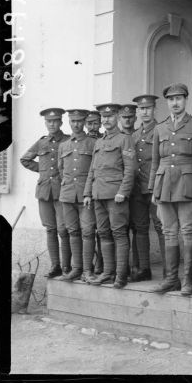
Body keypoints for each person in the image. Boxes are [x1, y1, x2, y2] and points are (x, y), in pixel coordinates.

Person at [148, 83, 192, 295]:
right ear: (167, 103)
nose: (175, 103)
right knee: (169, 232)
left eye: (179, 98)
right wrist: (153, 188)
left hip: (189, 185)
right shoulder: (159, 128)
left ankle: (187, 281)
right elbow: (155, 161)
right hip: (165, 186)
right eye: (171, 99)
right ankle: (172, 279)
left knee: (188, 231)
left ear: (186, 100)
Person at [83, 104, 136, 288]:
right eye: (103, 117)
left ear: (118, 117)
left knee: (119, 234)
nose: (106, 120)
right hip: (98, 195)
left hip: (116, 196)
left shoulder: (124, 139)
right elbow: (92, 169)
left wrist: (123, 191)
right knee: (103, 233)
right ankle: (107, 272)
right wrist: (88, 193)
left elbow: (130, 169)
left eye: (110, 116)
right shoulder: (99, 141)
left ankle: (120, 275)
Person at [20, 108, 71, 278]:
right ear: (45, 123)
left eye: (55, 121)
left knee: (64, 230)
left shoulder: (68, 140)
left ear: (61, 123)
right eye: (49, 121)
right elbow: (25, 159)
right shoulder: (41, 143)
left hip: (62, 191)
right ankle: (55, 265)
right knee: (50, 230)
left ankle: (67, 266)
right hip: (44, 192)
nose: (52, 124)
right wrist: (42, 172)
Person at [58, 109, 98, 282]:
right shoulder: (63, 146)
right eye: (73, 121)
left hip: (86, 196)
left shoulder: (93, 143)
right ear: (69, 122)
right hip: (67, 195)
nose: (76, 124)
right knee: (73, 231)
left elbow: (95, 169)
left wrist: (88, 191)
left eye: (80, 121)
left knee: (88, 232)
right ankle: (76, 269)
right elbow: (61, 170)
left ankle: (88, 271)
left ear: (84, 122)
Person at [129, 95, 166, 281]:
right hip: (138, 189)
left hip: (156, 189)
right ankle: (144, 269)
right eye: (141, 109)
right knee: (140, 228)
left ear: (154, 110)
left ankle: (169, 270)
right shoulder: (134, 136)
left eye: (148, 108)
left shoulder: (162, 130)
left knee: (162, 227)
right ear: (138, 111)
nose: (145, 112)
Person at [119, 103, 139, 275]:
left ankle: (138, 266)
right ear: (119, 119)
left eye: (130, 117)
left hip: (138, 189)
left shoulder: (140, 135)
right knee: (120, 229)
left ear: (135, 118)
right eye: (124, 117)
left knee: (138, 228)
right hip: (119, 191)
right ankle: (121, 267)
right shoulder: (114, 137)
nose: (127, 120)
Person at [85, 110, 104, 273]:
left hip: (101, 188)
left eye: (96, 123)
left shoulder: (104, 139)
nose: (93, 127)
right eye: (89, 123)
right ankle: (87, 264)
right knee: (88, 229)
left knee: (103, 229)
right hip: (85, 191)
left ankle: (101, 263)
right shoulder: (80, 141)